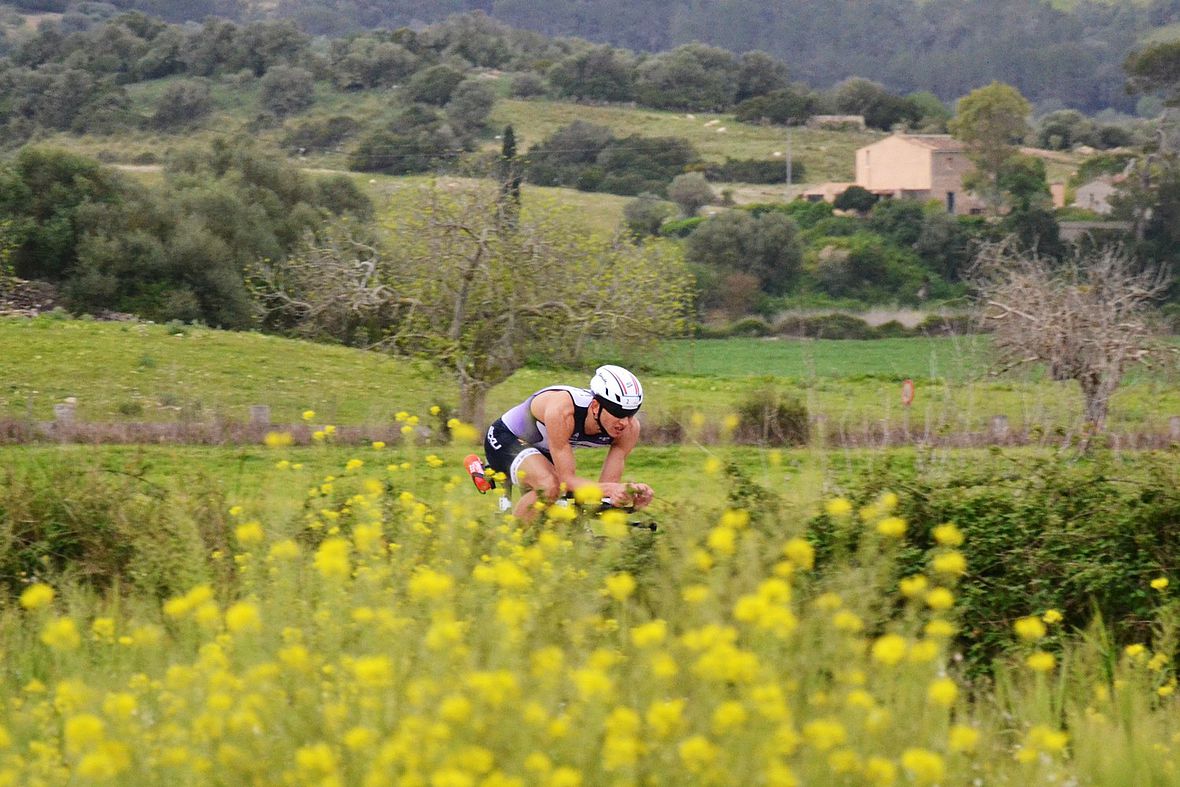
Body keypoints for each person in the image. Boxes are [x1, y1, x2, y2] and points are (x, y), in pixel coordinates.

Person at [482, 364, 654, 521]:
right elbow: (567, 480)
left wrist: (628, 494)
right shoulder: (563, 410)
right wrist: (611, 489)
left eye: (631, 413)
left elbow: (603, 494)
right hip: (506, 438)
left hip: (545, 450)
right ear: (595, 406)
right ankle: (511, 543)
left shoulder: (629, 429)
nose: (624, 422)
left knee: (565, 513)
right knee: (549, 486)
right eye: (618, 412)